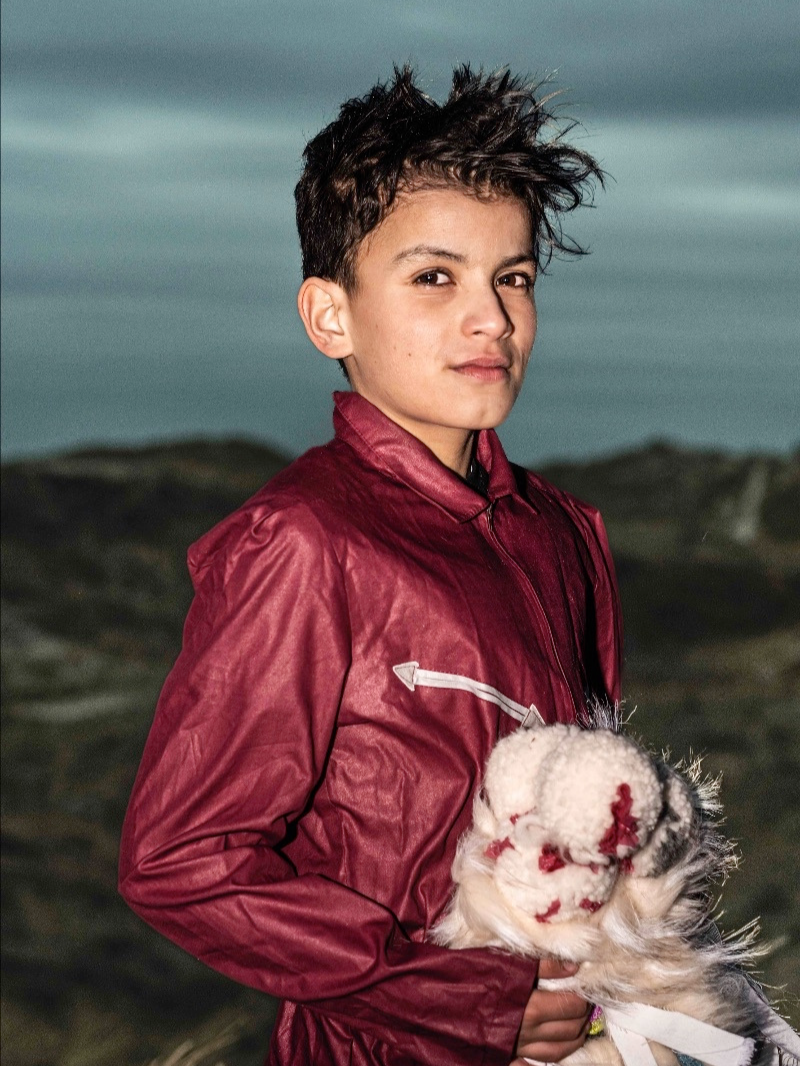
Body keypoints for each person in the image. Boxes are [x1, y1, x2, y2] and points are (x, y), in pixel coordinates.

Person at [119, 65, 623, 1066]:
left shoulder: (560, 532)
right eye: (434, 277)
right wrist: (465, 999)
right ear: (329, 317)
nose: (491, 318)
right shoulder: (302, 542)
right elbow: (182, 861)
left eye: (513, 278)